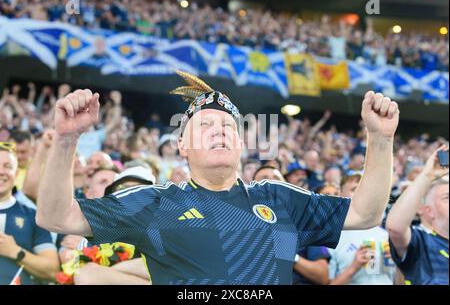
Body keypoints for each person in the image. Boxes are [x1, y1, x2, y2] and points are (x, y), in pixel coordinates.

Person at [37, 70, 400, 285]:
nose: (219, 130)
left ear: (241, 142)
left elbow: (365, 214)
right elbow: (56, 217)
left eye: (228, 125)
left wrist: (381, 140)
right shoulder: (155, 203)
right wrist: (67, 140)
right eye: (205, 125)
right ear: (182, 145)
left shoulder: (280, 198)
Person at [387, 146, 449, 285]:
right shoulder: (422, 242)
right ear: (429, 211)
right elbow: (395, 227)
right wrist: (428, 175)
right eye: (447, 197)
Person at [0, 142, 59, 285]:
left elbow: (53, 271)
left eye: (7, 166)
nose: (1, 171)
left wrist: (15, 252)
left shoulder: (34, 216)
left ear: (17, 173)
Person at [328, 172, 395, 285]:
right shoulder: (330, 238)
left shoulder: (387, 236)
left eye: (365, 190)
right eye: (354, 189)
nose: (361, 195)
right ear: (340, 194)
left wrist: (398, 264)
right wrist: (353, 268)